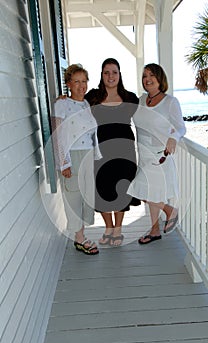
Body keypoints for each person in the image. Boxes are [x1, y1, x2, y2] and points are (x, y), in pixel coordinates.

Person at [127, 63, 186, 244]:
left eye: (151, 75)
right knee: (150, 192)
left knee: (141, 190)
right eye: (145, 76)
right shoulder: (141, 100)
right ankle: (155, 230)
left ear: (160, 79)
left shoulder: (170, 102)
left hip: (159, 155)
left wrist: (173, 138)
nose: (147, 79)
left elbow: (181, 127)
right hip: (143, 155)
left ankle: (169, 211)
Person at [85, 58, 141, 246]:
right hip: (100, 151)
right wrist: (63, 98)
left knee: (121, 190)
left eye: (114, 72)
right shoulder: (92, 97)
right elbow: (75, 104)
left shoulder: (130, 98)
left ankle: (118, 230)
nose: (111, 76)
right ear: (101, 75)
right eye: (106, 72)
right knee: (102, 190)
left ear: (119, 74)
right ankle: (108, 228)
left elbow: (147, 119)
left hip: (125, 151)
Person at [52, 64, 102, 255]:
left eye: (84, 81)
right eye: (77, 82)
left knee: (86, 197)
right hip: (73, 155)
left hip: (88, 155)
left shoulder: (86, 104)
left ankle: (81, 234)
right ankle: (79, 239)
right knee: (73, 196)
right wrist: (64, 162)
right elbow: (57, 135)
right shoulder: (62, 104)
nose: (81, 86)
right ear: (68, 84)